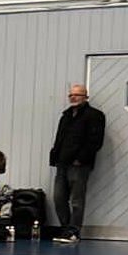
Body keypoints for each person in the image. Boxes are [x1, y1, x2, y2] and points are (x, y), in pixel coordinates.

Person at [49, 84, 105, 244]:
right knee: (59, 198)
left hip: (79, 165)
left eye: (77, 95)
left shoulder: (95, 115)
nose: (73, 97)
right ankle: (65, 228)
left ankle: (74, 231)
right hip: (62, 163)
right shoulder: (66, 116)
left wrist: (80, 159)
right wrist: (55, 156)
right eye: (71, 95)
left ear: (85, 97)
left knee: (76, 200)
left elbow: (95, 141)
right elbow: (59, 138)